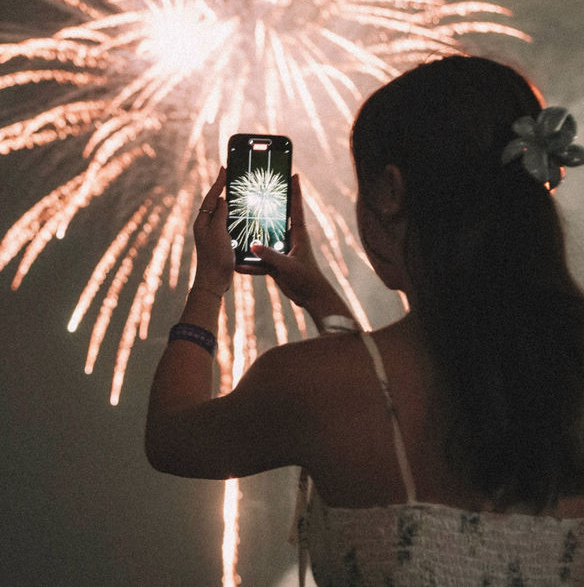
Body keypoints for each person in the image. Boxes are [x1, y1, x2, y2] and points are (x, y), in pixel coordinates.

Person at [145, 55, 584, 585]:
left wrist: (210, 282)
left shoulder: (313, 384)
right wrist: (325, 303)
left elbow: (172, 435)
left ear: (390, 191)